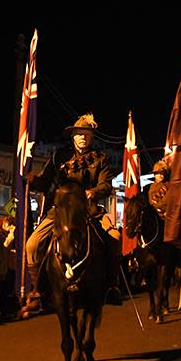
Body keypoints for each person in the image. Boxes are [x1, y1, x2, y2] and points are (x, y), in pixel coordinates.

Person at [26, 113, 122, 307]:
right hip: (61, 210)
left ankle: (112, 286)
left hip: (88, 209)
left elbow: (106, 186)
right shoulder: (59, 156)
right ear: (73, 136)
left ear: (92, 137)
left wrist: (92, 193)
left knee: (115, 237)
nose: (83, 137)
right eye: (79, 134)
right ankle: (38, 290)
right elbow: (46, 182)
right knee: (32, 245)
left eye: (86, 134)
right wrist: (32, 180)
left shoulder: (101, 158)